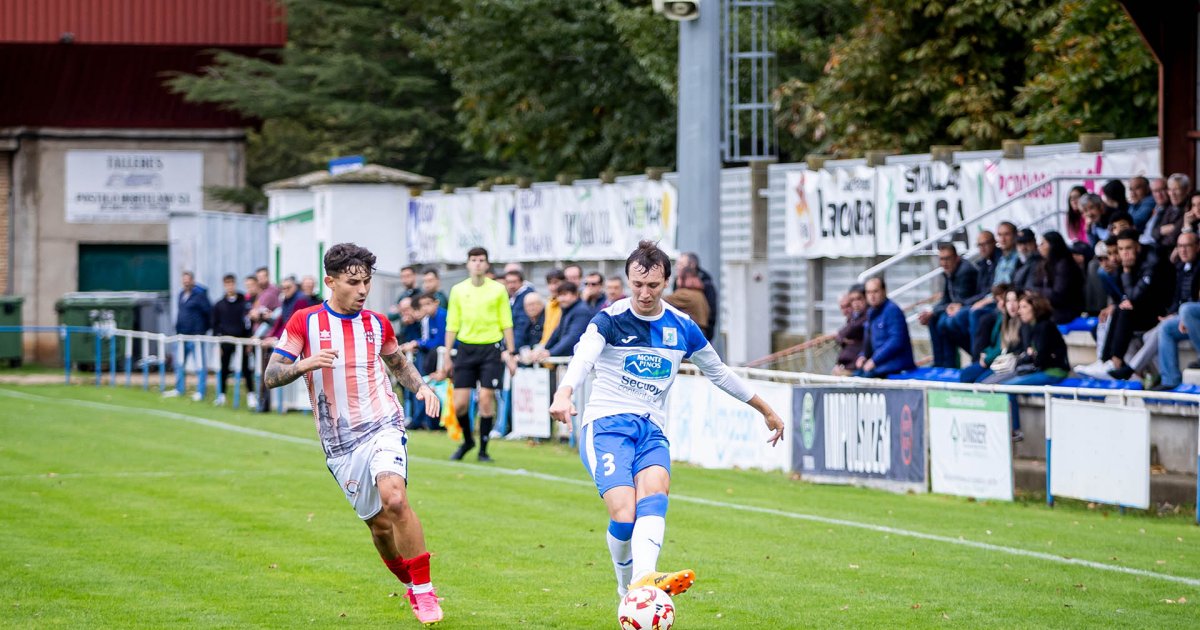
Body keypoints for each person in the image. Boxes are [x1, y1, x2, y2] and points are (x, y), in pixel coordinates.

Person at [547, 240, 784, 601]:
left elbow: (719, 372)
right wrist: (564, 392)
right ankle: (626, 586)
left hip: (651, 429)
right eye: (637, 285)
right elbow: (583, 356)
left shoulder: (682, 326)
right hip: (607, 427)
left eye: (653, 286)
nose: (644, 293)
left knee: (655, 494)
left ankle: (645, 577)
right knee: (625, 516)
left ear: (667, 283)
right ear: (628, 281)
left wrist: (765, 408)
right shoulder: (609, 319)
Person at [263, 243, 444, 626]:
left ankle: (426, 592)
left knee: (394, 498)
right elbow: (271, 375)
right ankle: (411, 585)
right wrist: (304, 364)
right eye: (352, 282)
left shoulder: (378, 323)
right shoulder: (304, 322)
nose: (362, 290)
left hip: (383, 424)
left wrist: (422, 387)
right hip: (340, 442)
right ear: (330, 281)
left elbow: (398, 363)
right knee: (379, 528)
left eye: (366, 281)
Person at [444, 247, 518, 462]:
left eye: (481, 260)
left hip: (490, 349)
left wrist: (510, 352)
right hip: (465, 348)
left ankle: (483, 449)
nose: (477, 263)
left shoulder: (497, 290)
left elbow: (507, 322)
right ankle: (468, 440)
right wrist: (447, 355)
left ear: (487, 265)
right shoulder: (458, 290)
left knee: (486, 398)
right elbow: (452, 324)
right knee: (460, 404)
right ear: (468, 263)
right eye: (474, 260)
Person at [1098, 230, 1170, 380]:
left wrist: (1126, 271)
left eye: (1128, 248)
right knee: (1118, 310)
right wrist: (1120, 269)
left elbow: (1133, 298)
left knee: (1124, 311)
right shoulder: (1128, 262)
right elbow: (1123, 297)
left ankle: (1116, 361)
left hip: (1159, 313)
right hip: (1141, 309)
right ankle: (1107, 360)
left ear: (1137, 247)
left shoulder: (1152, 261)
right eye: (1121, 249)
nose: (1124, 253)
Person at [919, 243, 979, 367]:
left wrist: (936, 311)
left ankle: (951, 363)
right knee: (933, 319)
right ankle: (940, 363)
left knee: (944, 323)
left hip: (970, 307)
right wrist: (932, 311)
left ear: (956, 257)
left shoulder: (965, 271)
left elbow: (958, 301)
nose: (944, 263)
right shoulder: (949, 272)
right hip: (959, 308)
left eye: (947, 258)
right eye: (941, 259)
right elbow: (946, 300)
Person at [1155, 231, 1200, 390]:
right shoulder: (1181, 267)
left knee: (1187, 310)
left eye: (1187, 246)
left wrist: (1183, 315)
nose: (1183, 250)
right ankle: (1170, 380)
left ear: (1197, 247)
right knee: (1166, 328)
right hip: (1189, 318)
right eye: (1180, 246)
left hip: (1193, 315)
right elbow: (1177, 299)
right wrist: (1172, 315)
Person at [1001, 293, 1069, 387]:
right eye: (1020, 307)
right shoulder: (1031, 326)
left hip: (1053, 372)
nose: (1019, 311)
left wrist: (1031, 355)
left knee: (1007, 387)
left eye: (1024, 307)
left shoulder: (1044, 326)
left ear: (1035, 308)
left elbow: (1041, 359)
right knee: (1002, 383)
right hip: (1040, 369)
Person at [855, 277, 916, 378]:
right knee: (855, 375)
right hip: (880, 363)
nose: (872, 296)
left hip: (897, 364)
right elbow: (868, 341)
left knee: (865, 377)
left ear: (884, 291)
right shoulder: (871, 312)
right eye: (868, 292)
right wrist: (863, 355)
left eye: (875, 291)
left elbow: (896, 341)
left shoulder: (892, 310)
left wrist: (874, 360)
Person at [960, 285, 1021, 383]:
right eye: (1008, 301)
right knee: (966, 374)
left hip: (1006, 364)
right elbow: (995, 343)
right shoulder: (1004, 319)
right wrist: (985, 353)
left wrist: (987, 359)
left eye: (1015, 300)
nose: (1011, 305)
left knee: (979, 382)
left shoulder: (1020, 323)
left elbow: (1004, 349)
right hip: (995, 361)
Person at [168, 271, 212, 400]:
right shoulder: (181, 294)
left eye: (188, 280)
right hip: (182, 335)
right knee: (179, 363)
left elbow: (209, 312)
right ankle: (179, 388)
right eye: (184, 280)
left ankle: (200, 391)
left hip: (196, 336)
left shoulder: (199, 296)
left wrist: (203, 330)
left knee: (199, 364)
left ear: (192, 281)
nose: (186, 282)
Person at [212, 273, 253, 406]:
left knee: (245, 368)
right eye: (227, 284)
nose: (229, 286)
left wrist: (248, 340)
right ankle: (222, 395)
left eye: (231, 283)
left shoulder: (244, 302)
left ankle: (251, 395)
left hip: (241, 340)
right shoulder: (219, 305)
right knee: (224, 368)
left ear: (235, 284)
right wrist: (218, 344)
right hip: (226, 341)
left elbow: (248, 322)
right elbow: (215, 325)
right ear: (224, 286)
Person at [1032, 231, 1086, 325]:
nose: (1039, 247)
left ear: (1053, 245)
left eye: (1043, 243)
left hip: (1066, 310)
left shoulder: (1065, 264)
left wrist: (1037, 291)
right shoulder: (1044, 264)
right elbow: (1035, 284)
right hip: (1053, 308)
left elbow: (1058, 296)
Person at [531, 282, 591, 360]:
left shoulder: (581, 311)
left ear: (575, 295)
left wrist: (550, 352)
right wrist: (543, 349)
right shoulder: (567, 310)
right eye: (559, 295)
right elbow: (556, 333)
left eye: (565, 294)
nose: (561, 299)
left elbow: (572, 338)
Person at [677, 252, 718, 340]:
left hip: (696, 330)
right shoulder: (678, 280)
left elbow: (712, 311)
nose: (678, 267)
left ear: (692, 265)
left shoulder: (706, 284)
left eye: (681, 264)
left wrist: (709, 333)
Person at [663, 268, 711, 339]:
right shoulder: (699, 294)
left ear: (683, 279)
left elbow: (660, 300)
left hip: (691, 331)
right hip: (702, 331)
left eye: (678, 278)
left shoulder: (684, 294)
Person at [833, 286, 867, 376]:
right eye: (842, 307)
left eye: (847, 306)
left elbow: (850, 330)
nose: (846, 310)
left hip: (856, 367)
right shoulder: (852, 319)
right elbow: (839, 336)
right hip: (845, 365)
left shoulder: (865, 317)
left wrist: (842, 336)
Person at [505, 269, 538, 353]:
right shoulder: (513, 297)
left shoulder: (525, 297)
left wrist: (512, 350)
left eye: (514, 282)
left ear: (522, 282)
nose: (511, 285)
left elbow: (522, 326)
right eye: (508, 282)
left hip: (523, 347)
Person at [540, 269, 566, 346]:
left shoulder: (565, 304)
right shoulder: (549, 304)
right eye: (549, 283)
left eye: (556, 283)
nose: (552, 287)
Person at [1141, 178, 1169, 246]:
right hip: (1143, 242)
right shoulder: (1156, 207)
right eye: (1155, 191)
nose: (1159, 194)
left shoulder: (1170, 209)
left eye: (1162, 190)